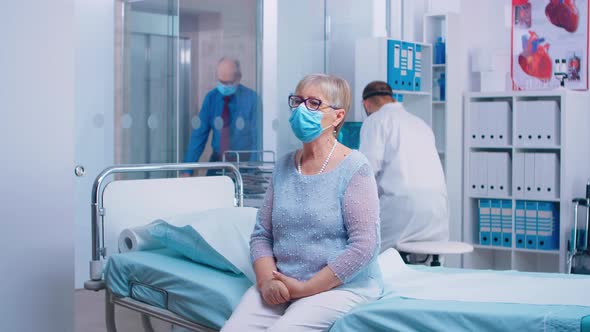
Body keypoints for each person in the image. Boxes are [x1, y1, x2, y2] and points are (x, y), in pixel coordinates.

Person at [221, 74, 383, 332]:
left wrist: (306, 289)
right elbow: (262, 236)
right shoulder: (285, 166)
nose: (301, 110)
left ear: (338, 117)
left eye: (314, 103)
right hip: (282, 282)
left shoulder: (354, 168)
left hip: (341, 286)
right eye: (297, 101)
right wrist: (266, 282)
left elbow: (364, 247)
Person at [359, 81, 449, 252]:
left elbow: (367, 171)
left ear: (366, 104)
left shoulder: (375, 121)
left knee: (370, 256)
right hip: (436, 214)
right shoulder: (420, 123)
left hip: (401, 212)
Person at [183, 57, 259, 174]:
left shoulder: (252, 99)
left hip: (244, 164)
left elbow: (257, 139)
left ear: (238, 78)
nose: (224, 86)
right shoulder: (211, 98)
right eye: (221, 82)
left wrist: (253, 170)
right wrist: (187, 169)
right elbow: (199, 135)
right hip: (218, 161)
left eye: (228, 82)